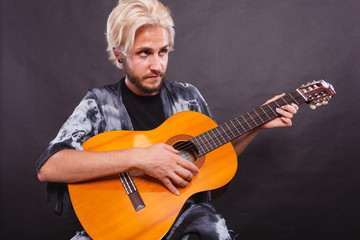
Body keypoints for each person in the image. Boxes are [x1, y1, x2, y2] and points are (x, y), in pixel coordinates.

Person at [36, 0, 299, 239]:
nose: (157, 65)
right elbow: (50, 167)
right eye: (144, 53)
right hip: (119, 224)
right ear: (119, 55)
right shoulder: (99, 103)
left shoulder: (188, 99)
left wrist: (255, 126)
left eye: (163, 52)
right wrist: (139, 158)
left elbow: (215, 164)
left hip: (183, 218)